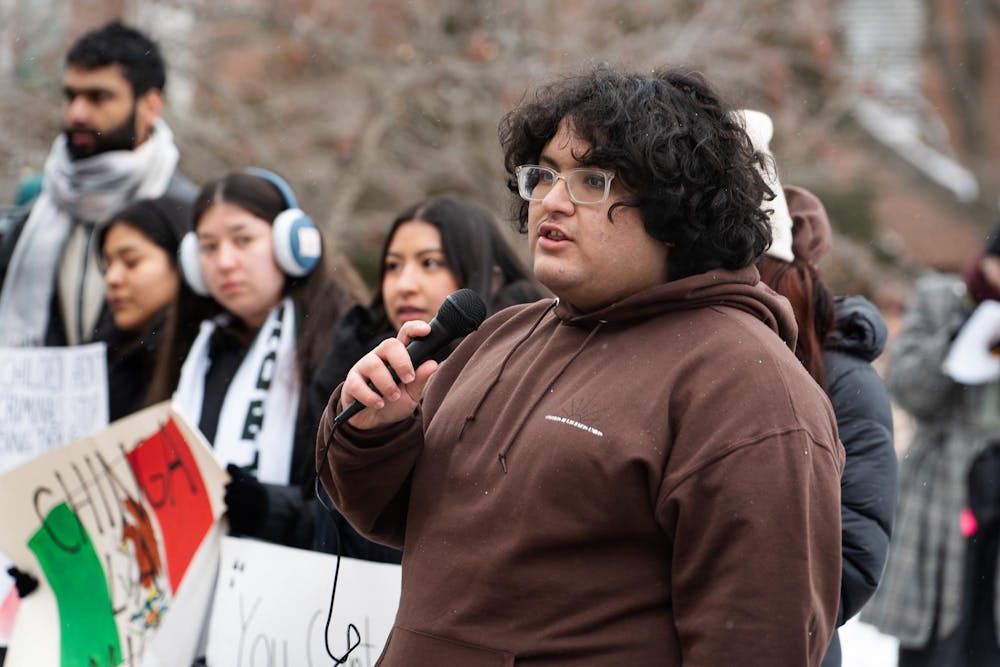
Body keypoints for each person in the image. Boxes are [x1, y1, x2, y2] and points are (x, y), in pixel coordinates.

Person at [316, 65, 844, 665]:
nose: (552, 202)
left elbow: (757, 638)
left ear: (676, 208)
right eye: (543, 175)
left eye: (592, 179)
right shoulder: (500, 335)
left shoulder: (748, 384)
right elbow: (393, 515)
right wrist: (375, 428)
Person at [308, 195, 544, 562]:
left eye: (430, 263)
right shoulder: (348, 363)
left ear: (489, 274)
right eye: (393, 266)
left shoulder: (527, 367)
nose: (405, 284)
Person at [167, 169, 359, 548]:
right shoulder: (198, 352)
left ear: (292, 243)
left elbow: (357, 519)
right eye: (208, 246)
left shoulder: (345, 347)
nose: (224, 262)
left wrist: (268, 510)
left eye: (243, 240)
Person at [0, 20, 195, 348]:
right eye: (71, 96)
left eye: (97, 97)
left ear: (150, 106)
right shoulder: (40, 207)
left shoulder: (188, 215)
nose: (77, 113)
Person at [861, 224, 1000, 666]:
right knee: (938, 630)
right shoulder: (942, 299)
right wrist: (960, 340)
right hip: (944, 485)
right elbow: (906, 388)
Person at [96, 196, 208, 421]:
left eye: (131, 262)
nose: (112, 278)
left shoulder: (205, 357)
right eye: (107, 265)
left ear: (182, 263)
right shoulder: (104, 352)